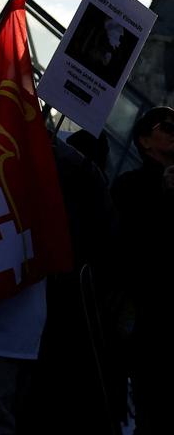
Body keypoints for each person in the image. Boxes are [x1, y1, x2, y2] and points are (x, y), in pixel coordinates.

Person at [111, 105, 174, 434]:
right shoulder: (130, 186)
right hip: (147, 324)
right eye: (168, 127)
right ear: (144, 140)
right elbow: (130, 251)